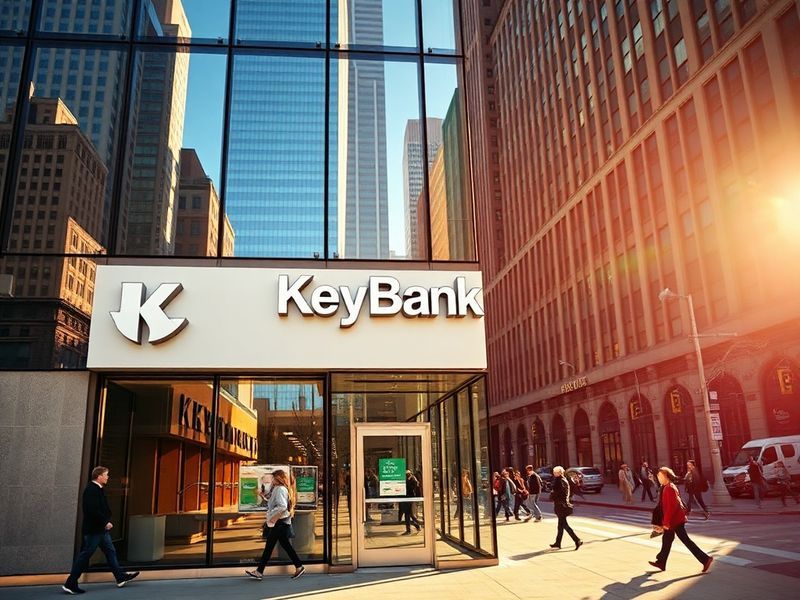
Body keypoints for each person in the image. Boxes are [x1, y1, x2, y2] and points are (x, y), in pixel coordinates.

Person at [62, 466, 140, 595]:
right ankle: (70, 583)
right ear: (99, 476)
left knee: (110, 551)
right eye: (106, 475)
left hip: (100, 530)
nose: (108, 477)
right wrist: (105, 522)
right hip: (94, 530)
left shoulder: (97, 489)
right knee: (86, 554)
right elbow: (91, 510)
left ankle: (120, 577)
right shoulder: (91, 490)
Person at [649, 467, 713, 574]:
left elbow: (671, 507)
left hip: (675, 521)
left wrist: (666, 523)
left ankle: (705, 559)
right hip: (674, 520)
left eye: (660, 476)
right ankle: (661, 561)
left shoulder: (669, 488)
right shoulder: (667, 487)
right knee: (667, 540)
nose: (658, 478)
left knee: (685, 541)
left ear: (666, 476)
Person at [246, 470, 305, 581]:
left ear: (278, 478)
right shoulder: (280, 489)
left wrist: (273, 517)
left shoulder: (280, 489)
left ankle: (259, 571)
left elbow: (282, 506)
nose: (271, 480)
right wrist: (262, 496)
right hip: (281, 522)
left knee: (269, 547)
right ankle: (299, 566)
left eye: (273, 478)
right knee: (284, 545)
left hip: (279, 522)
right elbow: (274, 503)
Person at [549, 466, 582, 550]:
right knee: (560, 526)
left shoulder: (560, 480)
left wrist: (553, 494)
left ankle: (577, 540)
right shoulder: (561, 480)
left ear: (559, 473)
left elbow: (561, 493)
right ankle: (558, 543)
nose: (554, 473)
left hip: (561, 506)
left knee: (564, 525)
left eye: (555, 472)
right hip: (562, 505)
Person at [400, 470, 422, 534]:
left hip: (410, 499)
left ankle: (409, 530)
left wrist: (408, 481)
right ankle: (417, 525)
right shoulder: (409, 480)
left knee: (407, 514)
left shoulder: (413, 480)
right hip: (406, 498)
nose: (406, 476)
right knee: (410, 514)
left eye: (408, 474)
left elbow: (412, 489)